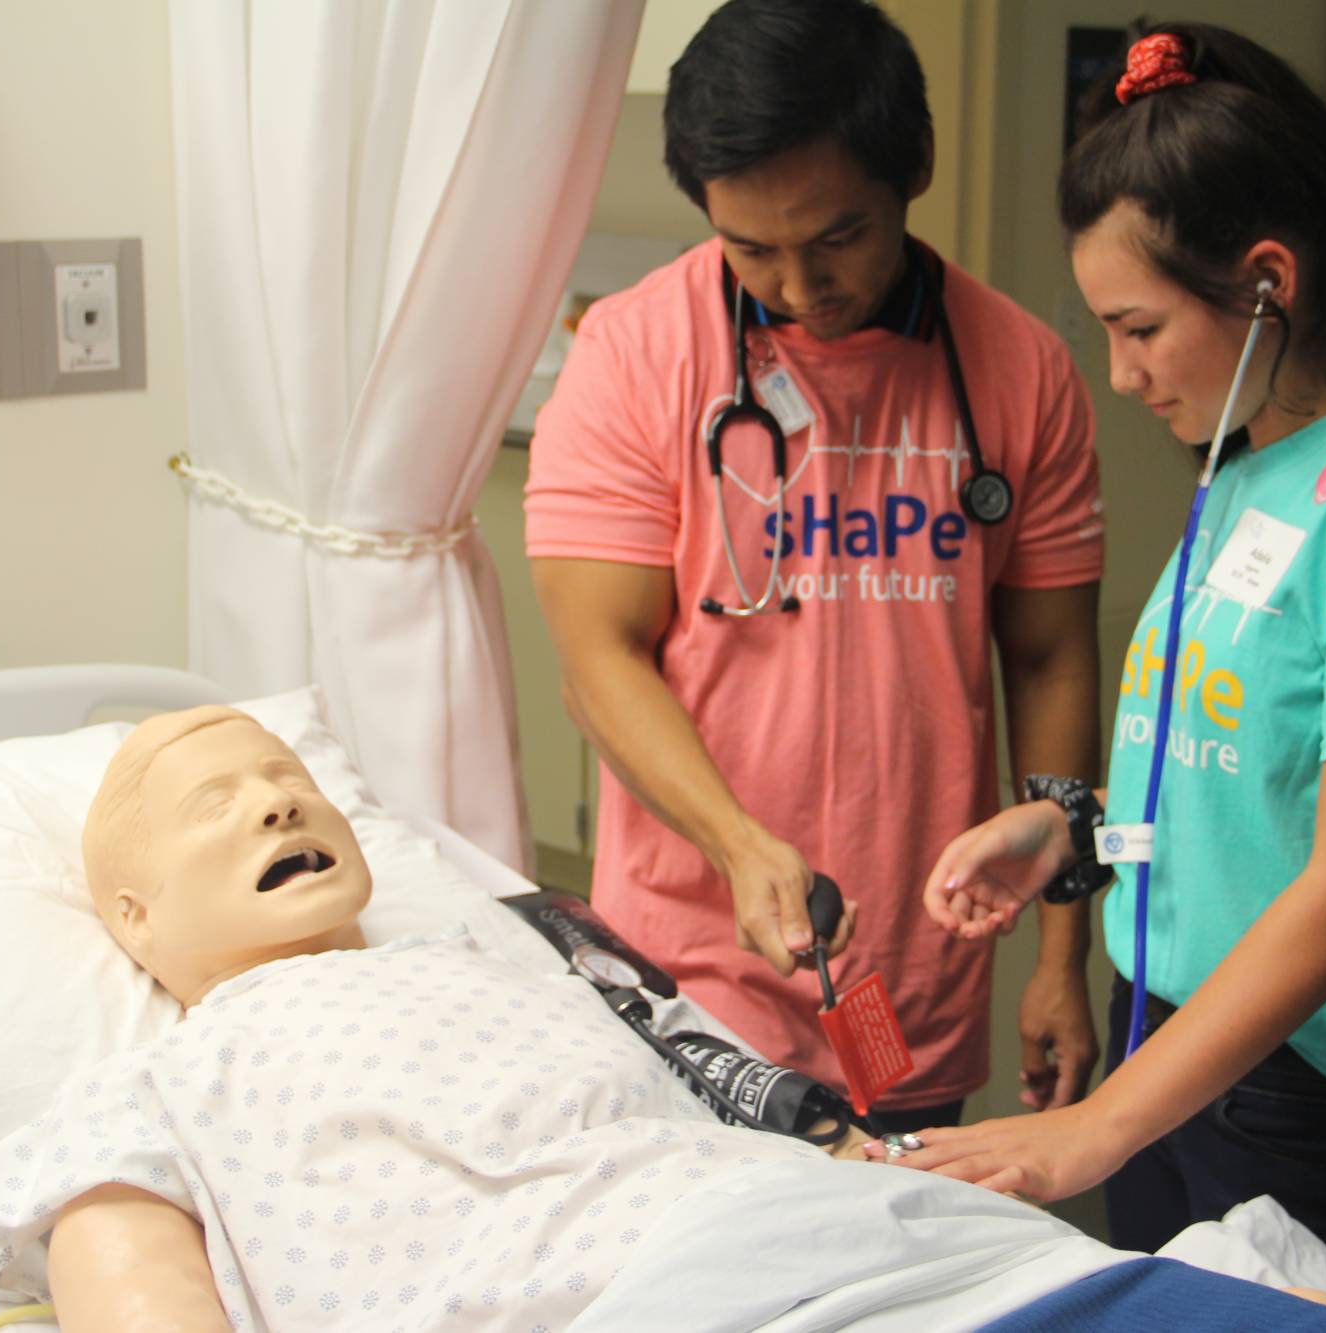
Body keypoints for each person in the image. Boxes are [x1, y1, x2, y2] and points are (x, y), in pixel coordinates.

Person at [0, 707, 1326, 1332]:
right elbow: (124, 1260)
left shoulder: (526, 960)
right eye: (212, 805)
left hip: (875, 1250)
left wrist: (851, 1155)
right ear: (131, 924)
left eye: (290, 780)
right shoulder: (170, 1075)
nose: (276, 797)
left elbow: (730, 1104)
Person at [882, 25, 1326, 1321]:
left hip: (1310, 1078)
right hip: (1172, 1025)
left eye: (1138, 328)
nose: (1119, 374)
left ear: (1266, 283)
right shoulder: (1244, 471)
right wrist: (1066, 834)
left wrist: (1101, 1127)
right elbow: (1229, 755)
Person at [525, 0, 1106, 1136]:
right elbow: (596, 660)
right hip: (689, 951)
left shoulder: (1020, 371)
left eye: (837, 237)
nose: (797, 285)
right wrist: (739, 848)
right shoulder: (634, 354)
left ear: (912, 171)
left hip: (917, 959)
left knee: (891, 1271)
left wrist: (1062, 948)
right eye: (752, 249)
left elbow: (1050, 662)